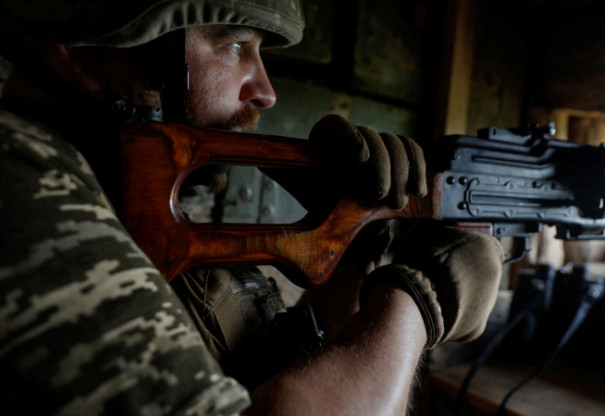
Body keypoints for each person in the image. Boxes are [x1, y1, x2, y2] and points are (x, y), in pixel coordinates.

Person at [0, 0, 505, 414]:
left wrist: (356, 239)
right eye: (234, 45)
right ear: (90, 55)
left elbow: (282, 370)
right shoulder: (23, 181)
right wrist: (420, 299)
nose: (265, 92)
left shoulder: (115, 187)